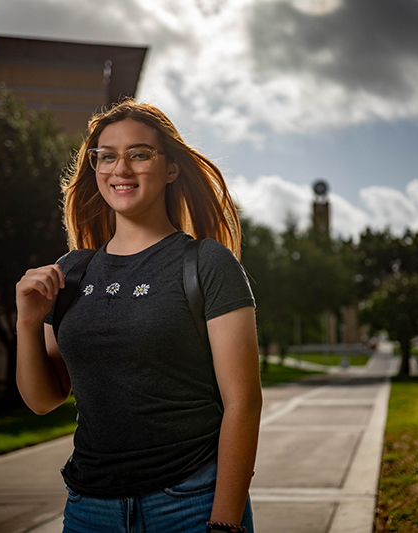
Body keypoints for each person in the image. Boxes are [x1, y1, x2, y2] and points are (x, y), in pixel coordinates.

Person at [15, 98, 262, 533]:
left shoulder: (207, 263)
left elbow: (243, 402)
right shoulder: (72, 271)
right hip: (89, 509)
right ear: (94, 168)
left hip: (191, 503)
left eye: (139, 154)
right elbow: (43, 399)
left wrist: (224, 523)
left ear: (170, 168)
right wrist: (27, 323)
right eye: (106, 156)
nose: (120, 169)